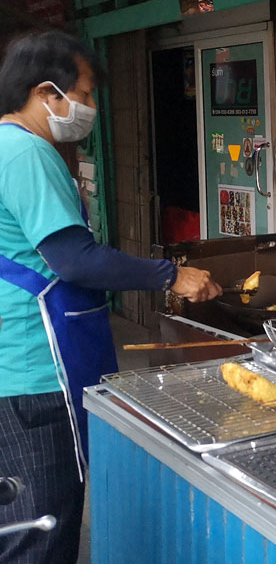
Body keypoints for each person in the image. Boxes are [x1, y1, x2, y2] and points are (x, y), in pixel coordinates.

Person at [0, 30, 222, 563]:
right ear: (46, 92)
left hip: (14, 364)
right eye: (86, 92)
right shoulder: (26, 152)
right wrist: (173, 275)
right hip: (34, 371)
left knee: (17, 522)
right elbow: (74, 258)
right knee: (42, 531)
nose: (92, 107)